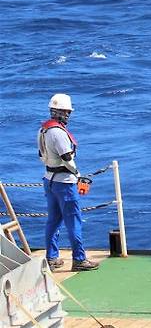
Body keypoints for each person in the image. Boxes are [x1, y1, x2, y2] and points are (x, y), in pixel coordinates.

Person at [37, 93, 99, 271]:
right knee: (74, 221)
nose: (68, 115)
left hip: (49, 180)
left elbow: (41, 155)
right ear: (61, 112)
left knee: (53, 221)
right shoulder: (58, 133)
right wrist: (79, 175)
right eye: (66, 112)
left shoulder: (43, 130)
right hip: (64, 183)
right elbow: (67, 159)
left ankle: (51, 258)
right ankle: (79, 259)